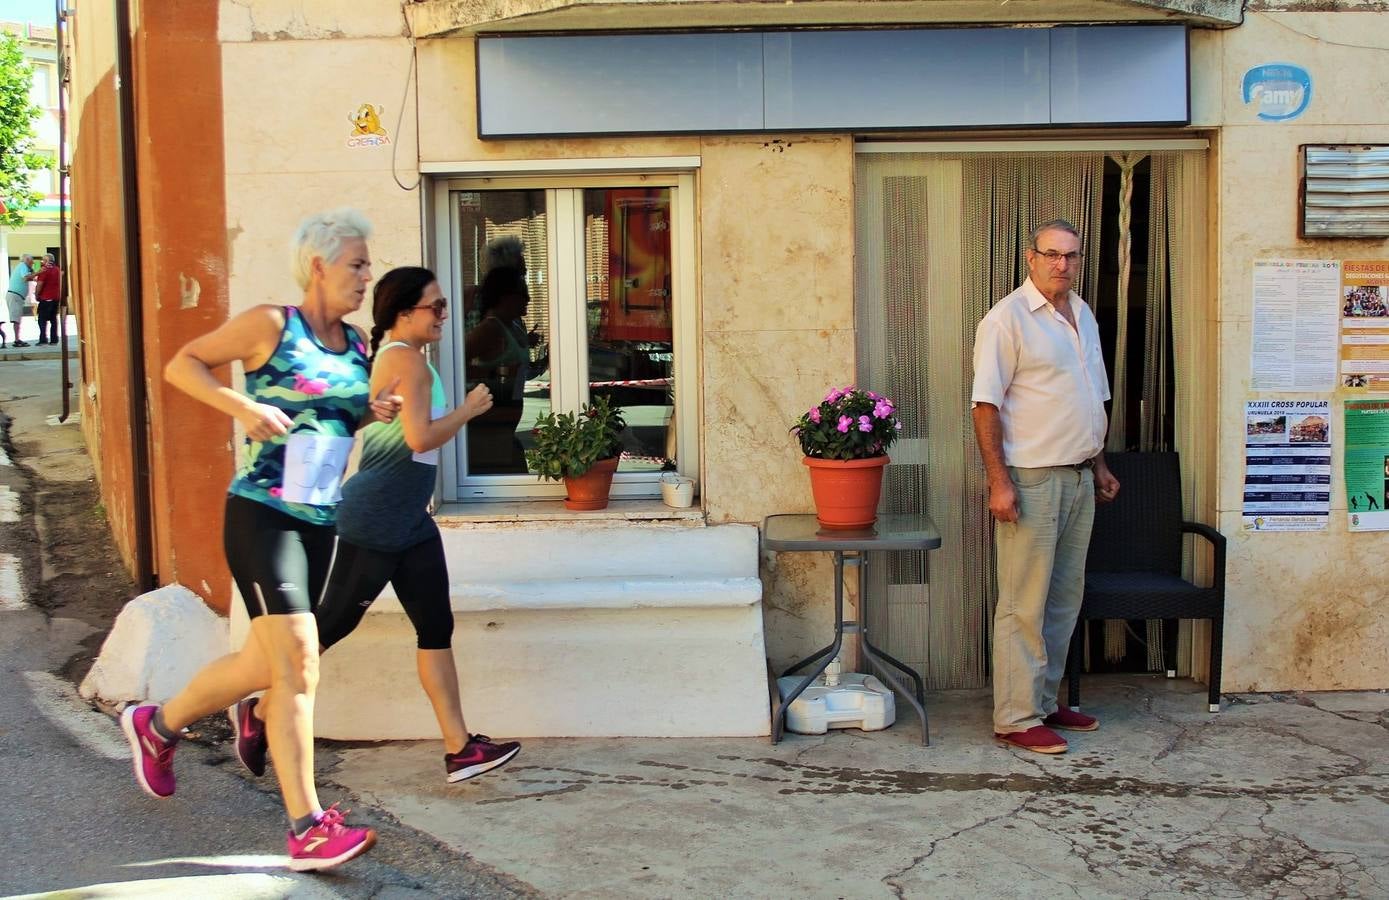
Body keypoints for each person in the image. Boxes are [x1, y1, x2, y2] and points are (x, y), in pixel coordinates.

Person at [119, 209, 402, 871]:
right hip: (262, 515)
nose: (367, 275)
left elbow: (336, 411)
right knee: (299, 662)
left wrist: (371, 410)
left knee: (259, 666)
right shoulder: (271, 325)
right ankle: (307, 826)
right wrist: (241, 406)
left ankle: (156, 726)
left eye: (367, 264)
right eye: (357, 264)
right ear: (318, 266)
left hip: (319, 522)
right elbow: (181, 365)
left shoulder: (357, 344)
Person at [229, 266, 522, 785]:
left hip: (408, 520)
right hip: (377, 519)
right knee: (331, 626)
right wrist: (470, 410)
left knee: (435, 626)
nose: (444, 317)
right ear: (403, 312)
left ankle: (460, 749)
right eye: (435, 307)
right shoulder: (404, 360)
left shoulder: (396, 359)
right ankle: (255, 712)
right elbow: (419, 440)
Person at [970, 218, 1121, 756]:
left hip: (1080, 476)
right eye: (1052, 254)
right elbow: (985, 405)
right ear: (1029, 258)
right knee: (1023, 603)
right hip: (1031, 480)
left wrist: (1099, 464)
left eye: (1072, 256)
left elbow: (1090, 399)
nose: (1062, 264)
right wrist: (998, 483)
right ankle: (1014, 716)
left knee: (1062, 599)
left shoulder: (1080, 314)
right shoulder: (1006, 320)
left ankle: (1043, 700)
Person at [29, 254, 61, 345]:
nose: (42, 262)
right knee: (53, 319)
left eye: (43, 260)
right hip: (55, 298)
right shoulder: (57, 269)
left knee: (42, 319)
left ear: (47, 261)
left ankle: (43, 339)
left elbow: (40, 284)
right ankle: (54, 339)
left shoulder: (44, 270)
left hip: (46, 298)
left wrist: (37, 294)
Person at [5, 253, 34, 348]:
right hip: (15, 296)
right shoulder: (23, 265)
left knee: (17, 319)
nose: (33, 262)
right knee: (16, 319)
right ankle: (17, 340)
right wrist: (40, 272)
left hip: (16, 296)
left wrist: (34, 273)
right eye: (31, 260)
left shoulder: (24, 267)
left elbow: (30, 277)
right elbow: (26, 277)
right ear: (26, 260)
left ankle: (17, 339)